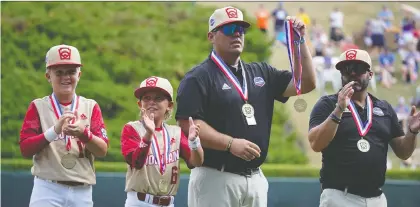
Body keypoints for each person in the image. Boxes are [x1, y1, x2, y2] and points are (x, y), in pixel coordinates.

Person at [175, 6, 316, 207]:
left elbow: (306, 84)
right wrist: (230, 144)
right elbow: (188, 124)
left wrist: (300, 41)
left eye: (241, 29)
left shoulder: (261, 72)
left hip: (255, 178)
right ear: (211, 36)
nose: (237, 34)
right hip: (216, 177)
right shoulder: (197, 78)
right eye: (230, 29)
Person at [308, 49, 419, 207]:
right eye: (346, 69)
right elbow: (315, 144)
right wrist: (338, 110)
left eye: (358, 68)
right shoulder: (327, 104)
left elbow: (403, 153)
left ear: (370, 74)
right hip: (339, 196)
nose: (352, 73)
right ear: (340, 75)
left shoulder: (384, 109)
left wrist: (412, 132)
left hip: (376, 198)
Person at [19, 44, 109, 207]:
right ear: (48, 76)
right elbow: (25, 148)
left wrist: (84, 134)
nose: (65, 77)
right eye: (59, 72)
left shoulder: (90, 106)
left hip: (82, 190)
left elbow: (102, 150)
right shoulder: (38, 106)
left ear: (79, 75)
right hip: (47, 188)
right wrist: (54, 131)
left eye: (71, 72)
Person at [121, 76, 204, 207]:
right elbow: (136, 162)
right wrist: (148, 134)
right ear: (140, 104)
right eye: (146, 98)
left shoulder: (175, 132)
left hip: (168, 202)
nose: (152, 102)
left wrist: (194, 142)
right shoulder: (132, 128)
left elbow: (196, 162)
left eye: (158, 98)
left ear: (169, 106)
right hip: (140, 202)